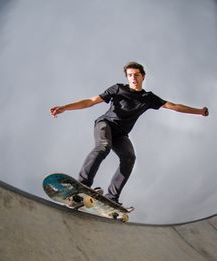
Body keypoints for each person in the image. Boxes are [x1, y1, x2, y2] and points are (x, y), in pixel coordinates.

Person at [50, 61, 209, 205]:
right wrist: (65, 107)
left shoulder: (149, 98)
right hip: (105, 124)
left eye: (136, 75)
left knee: (129, 158)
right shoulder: (118, 89)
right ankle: (82, 185)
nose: (133, 78)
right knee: (104, 146)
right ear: (127, 77)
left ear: (143, 77)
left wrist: (199, 111)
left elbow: (174, 106)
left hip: (121, 134)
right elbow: (91, 101)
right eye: (130, 75)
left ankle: (112, 198)